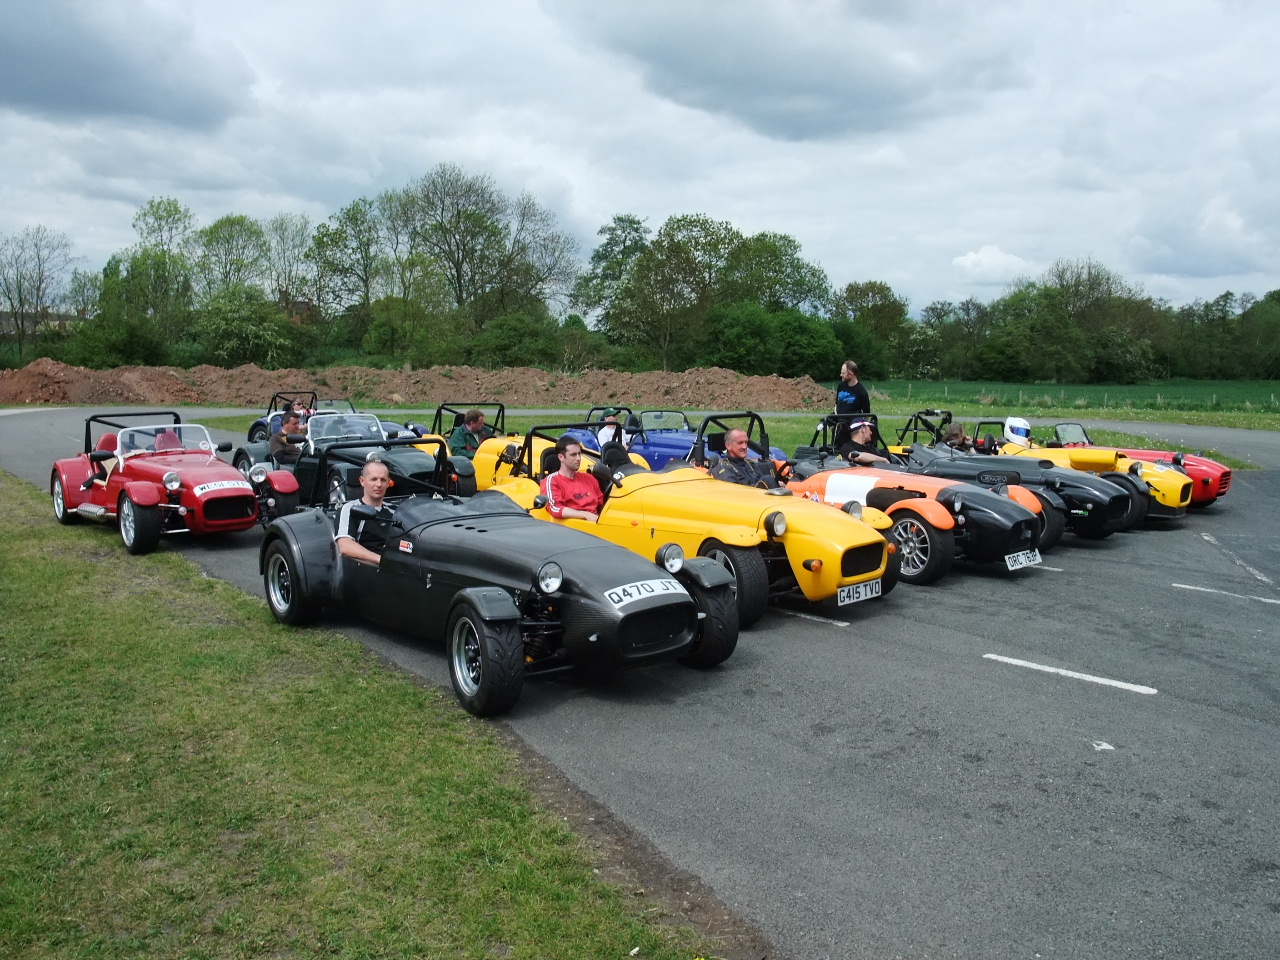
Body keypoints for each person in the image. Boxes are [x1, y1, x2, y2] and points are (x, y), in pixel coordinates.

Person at [335, 460, 393, 565]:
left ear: (388, 483)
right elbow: (345, 545)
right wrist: (382, 561)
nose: (379, 484)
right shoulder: (350, 509)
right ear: (362, 481)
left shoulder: (395, 510)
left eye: (383, 480)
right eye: (373, 479)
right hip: (368, 568)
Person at [541, 435, 603, 522]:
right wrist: (586, 515)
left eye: (579, 454)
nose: (578, 458)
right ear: (561, 457)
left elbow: (602, 504)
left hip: (597, 524)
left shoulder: (589, 478)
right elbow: (555, 508)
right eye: (573, 455)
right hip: (572, 528)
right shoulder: (552, 481)